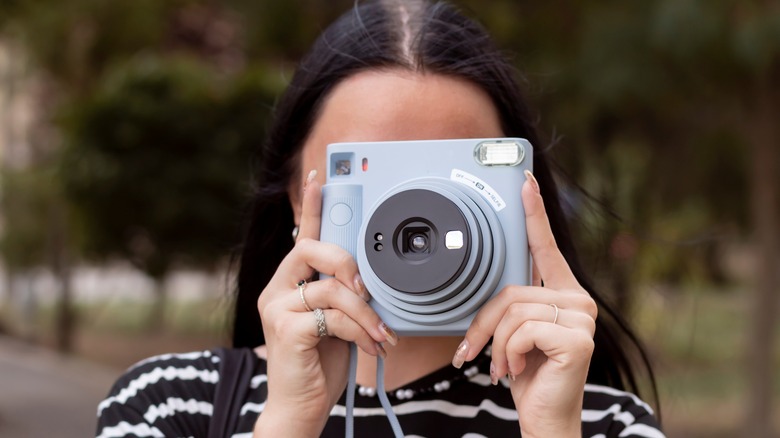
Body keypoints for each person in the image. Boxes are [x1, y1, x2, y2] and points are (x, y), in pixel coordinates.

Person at [96, 1, 664, 437]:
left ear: (521, 191)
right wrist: (288, 421)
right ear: (298, 197)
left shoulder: (605, 424)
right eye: (372, 173)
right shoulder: (168, 405)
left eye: (446, 173)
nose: (415, 214)